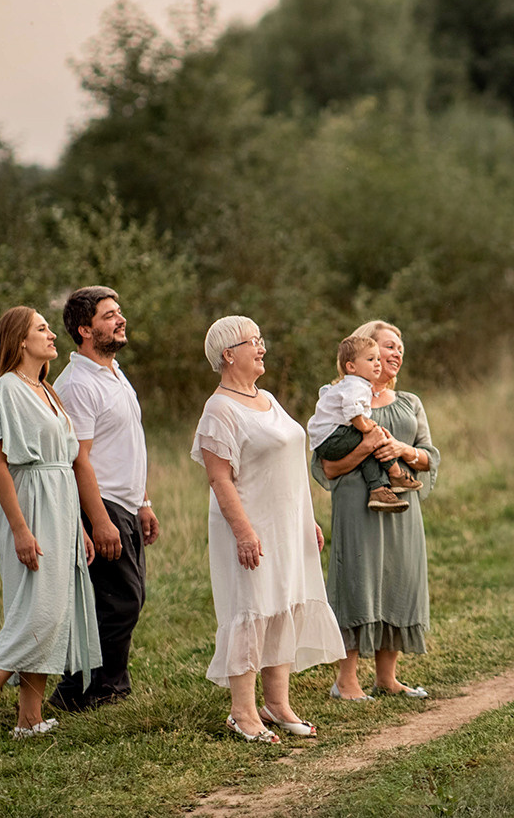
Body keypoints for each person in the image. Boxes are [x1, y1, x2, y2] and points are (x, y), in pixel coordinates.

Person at [0, 306, 102, 745]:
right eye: (42, 328)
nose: (52, 334)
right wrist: (20, 529)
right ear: (20, 340)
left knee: (54, 612)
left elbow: (68, 463)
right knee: (33, 610)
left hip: (60, 506)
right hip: (29, 505)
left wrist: (78, 527)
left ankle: (29, 718)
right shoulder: (5, 391)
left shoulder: (48, 391)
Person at [191, 316, 346, 743]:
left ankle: (276, 704)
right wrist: (243, 532)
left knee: (283, 606)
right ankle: (242, 712)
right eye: (253, 342)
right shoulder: (219, 409)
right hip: (249, 528)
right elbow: (220, 478)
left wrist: (307, 519)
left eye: (262, 339)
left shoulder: (268, 398)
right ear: (228, 354)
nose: (262, 348)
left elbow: (289, 466)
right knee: (250, 612)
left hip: (287, 526)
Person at [316, 320, 439, 701]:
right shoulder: (340, 399)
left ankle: (387, 677)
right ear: (363, 353)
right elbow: (328, 466)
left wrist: (403, 451)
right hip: (356, 506)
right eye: (387, 346)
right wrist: (368, 447)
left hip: (404, 506)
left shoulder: (409, 403)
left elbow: (429, 457)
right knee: (358, 582)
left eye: (400, 347)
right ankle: (346, 681)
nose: (396, 353)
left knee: (399, 580)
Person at [50, 285, 158, 711]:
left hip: (127, 503)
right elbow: (80, 460)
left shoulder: (113, 372)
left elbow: (128, 444)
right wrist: (100, 520)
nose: (120, 319)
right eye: (109, 315)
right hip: (103, 503)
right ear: (84, 329)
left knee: (124, 600)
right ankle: (83, 692)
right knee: (119, 602)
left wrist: (144, 502)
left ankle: (105, 686)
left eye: (119, 311)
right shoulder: (77, 384)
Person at [307, 335, 421, 514]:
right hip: (331, 437)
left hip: (326, 439)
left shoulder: (350, 385)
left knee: (368, 447)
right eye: (370, 359)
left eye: (377, 358)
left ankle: (378, 491)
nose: (377, 363)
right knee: (374, 436)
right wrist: (365, 427)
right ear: (351, 366)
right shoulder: (356, 385)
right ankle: (396, 474)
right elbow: (352, 409)